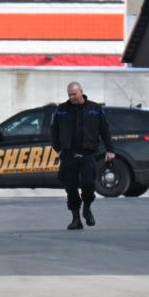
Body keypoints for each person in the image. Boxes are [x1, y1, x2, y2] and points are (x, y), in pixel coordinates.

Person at [50, 81, 115, 230]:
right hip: (68, 154)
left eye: (74, 94)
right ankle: (75, 219)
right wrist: (58, 149)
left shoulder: (95, 109)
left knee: (88, 184)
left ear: (81, 92)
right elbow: (54, 131)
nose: (72, 97)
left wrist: (110, 150)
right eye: (69, 94)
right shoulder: (61, 109)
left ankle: (87, 208)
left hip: (88, 153)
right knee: (70, 187)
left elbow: (104, 130)